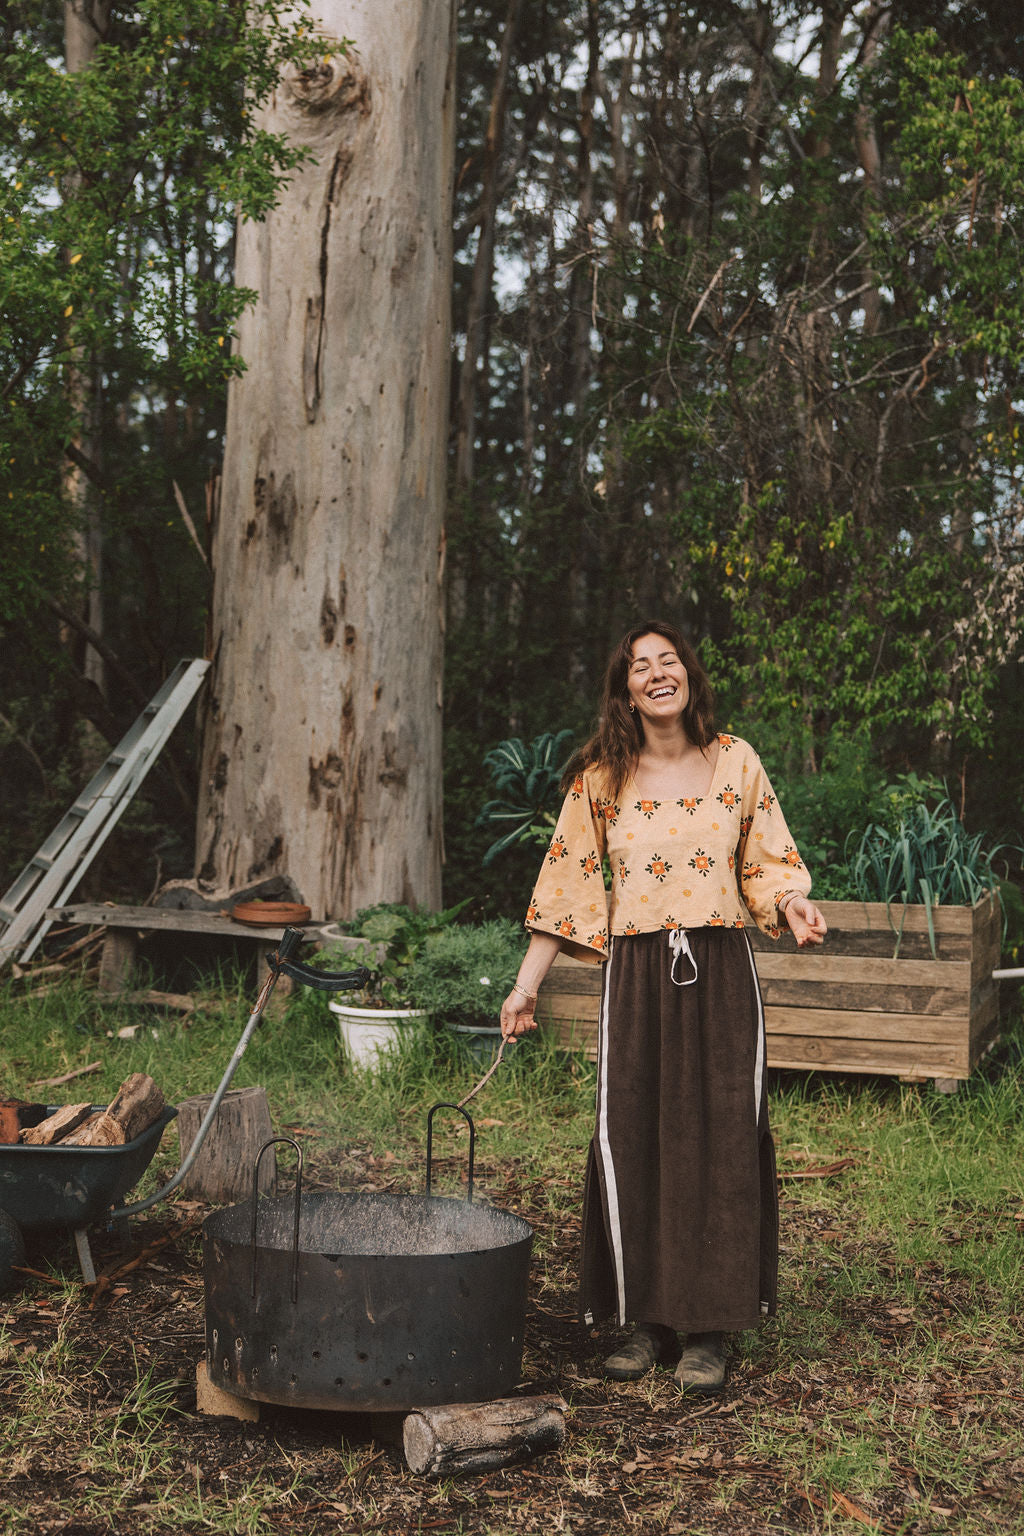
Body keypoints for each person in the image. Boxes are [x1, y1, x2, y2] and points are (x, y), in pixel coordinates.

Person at [499, 621, 826, 1394]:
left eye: (667, 660)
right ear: (626, 690)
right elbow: (564, 891)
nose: (655, 674)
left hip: (718, 971)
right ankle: (644, 1319)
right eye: (639, 666)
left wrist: (794, 904)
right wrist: (525, 987)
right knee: (634, 1130)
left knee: (719, 1135)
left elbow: (769, 863)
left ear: (688, 675)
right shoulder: (601, 780)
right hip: (636, 975)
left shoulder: (736, 762)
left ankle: (710, 1326)